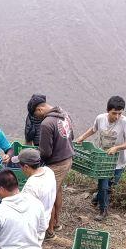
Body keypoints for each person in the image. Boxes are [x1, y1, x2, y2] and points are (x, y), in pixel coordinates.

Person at [75, 96, 126, 221]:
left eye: (120, 113)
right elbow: (93, 129)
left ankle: (97, 198)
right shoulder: (100, 118)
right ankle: (103, 211)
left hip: (119, 162)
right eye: (114, 113)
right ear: (108, 110)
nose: (117, 116)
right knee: (103, 185)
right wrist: (82, 137)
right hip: (103, 159)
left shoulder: (125, 122)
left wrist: (116, 148)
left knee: (111, 186)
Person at [12, 149, 57, 249]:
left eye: (20, 166)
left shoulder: (32, 185)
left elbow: (24, 209)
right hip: (45, 215)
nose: (20, 168)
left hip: (35, 223)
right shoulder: (48, 171)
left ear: (25, 167)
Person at [29, 95, 74, 237]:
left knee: (48, 195)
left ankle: (49, 231)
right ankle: (56, 222)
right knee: (57, 190)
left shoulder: (47, 123)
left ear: (40, 109)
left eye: (35, 114)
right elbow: (71, 136)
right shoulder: (64, 114)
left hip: (56, 163)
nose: (36, 117)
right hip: (67, 158)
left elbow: (46, 152)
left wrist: (35, 155)